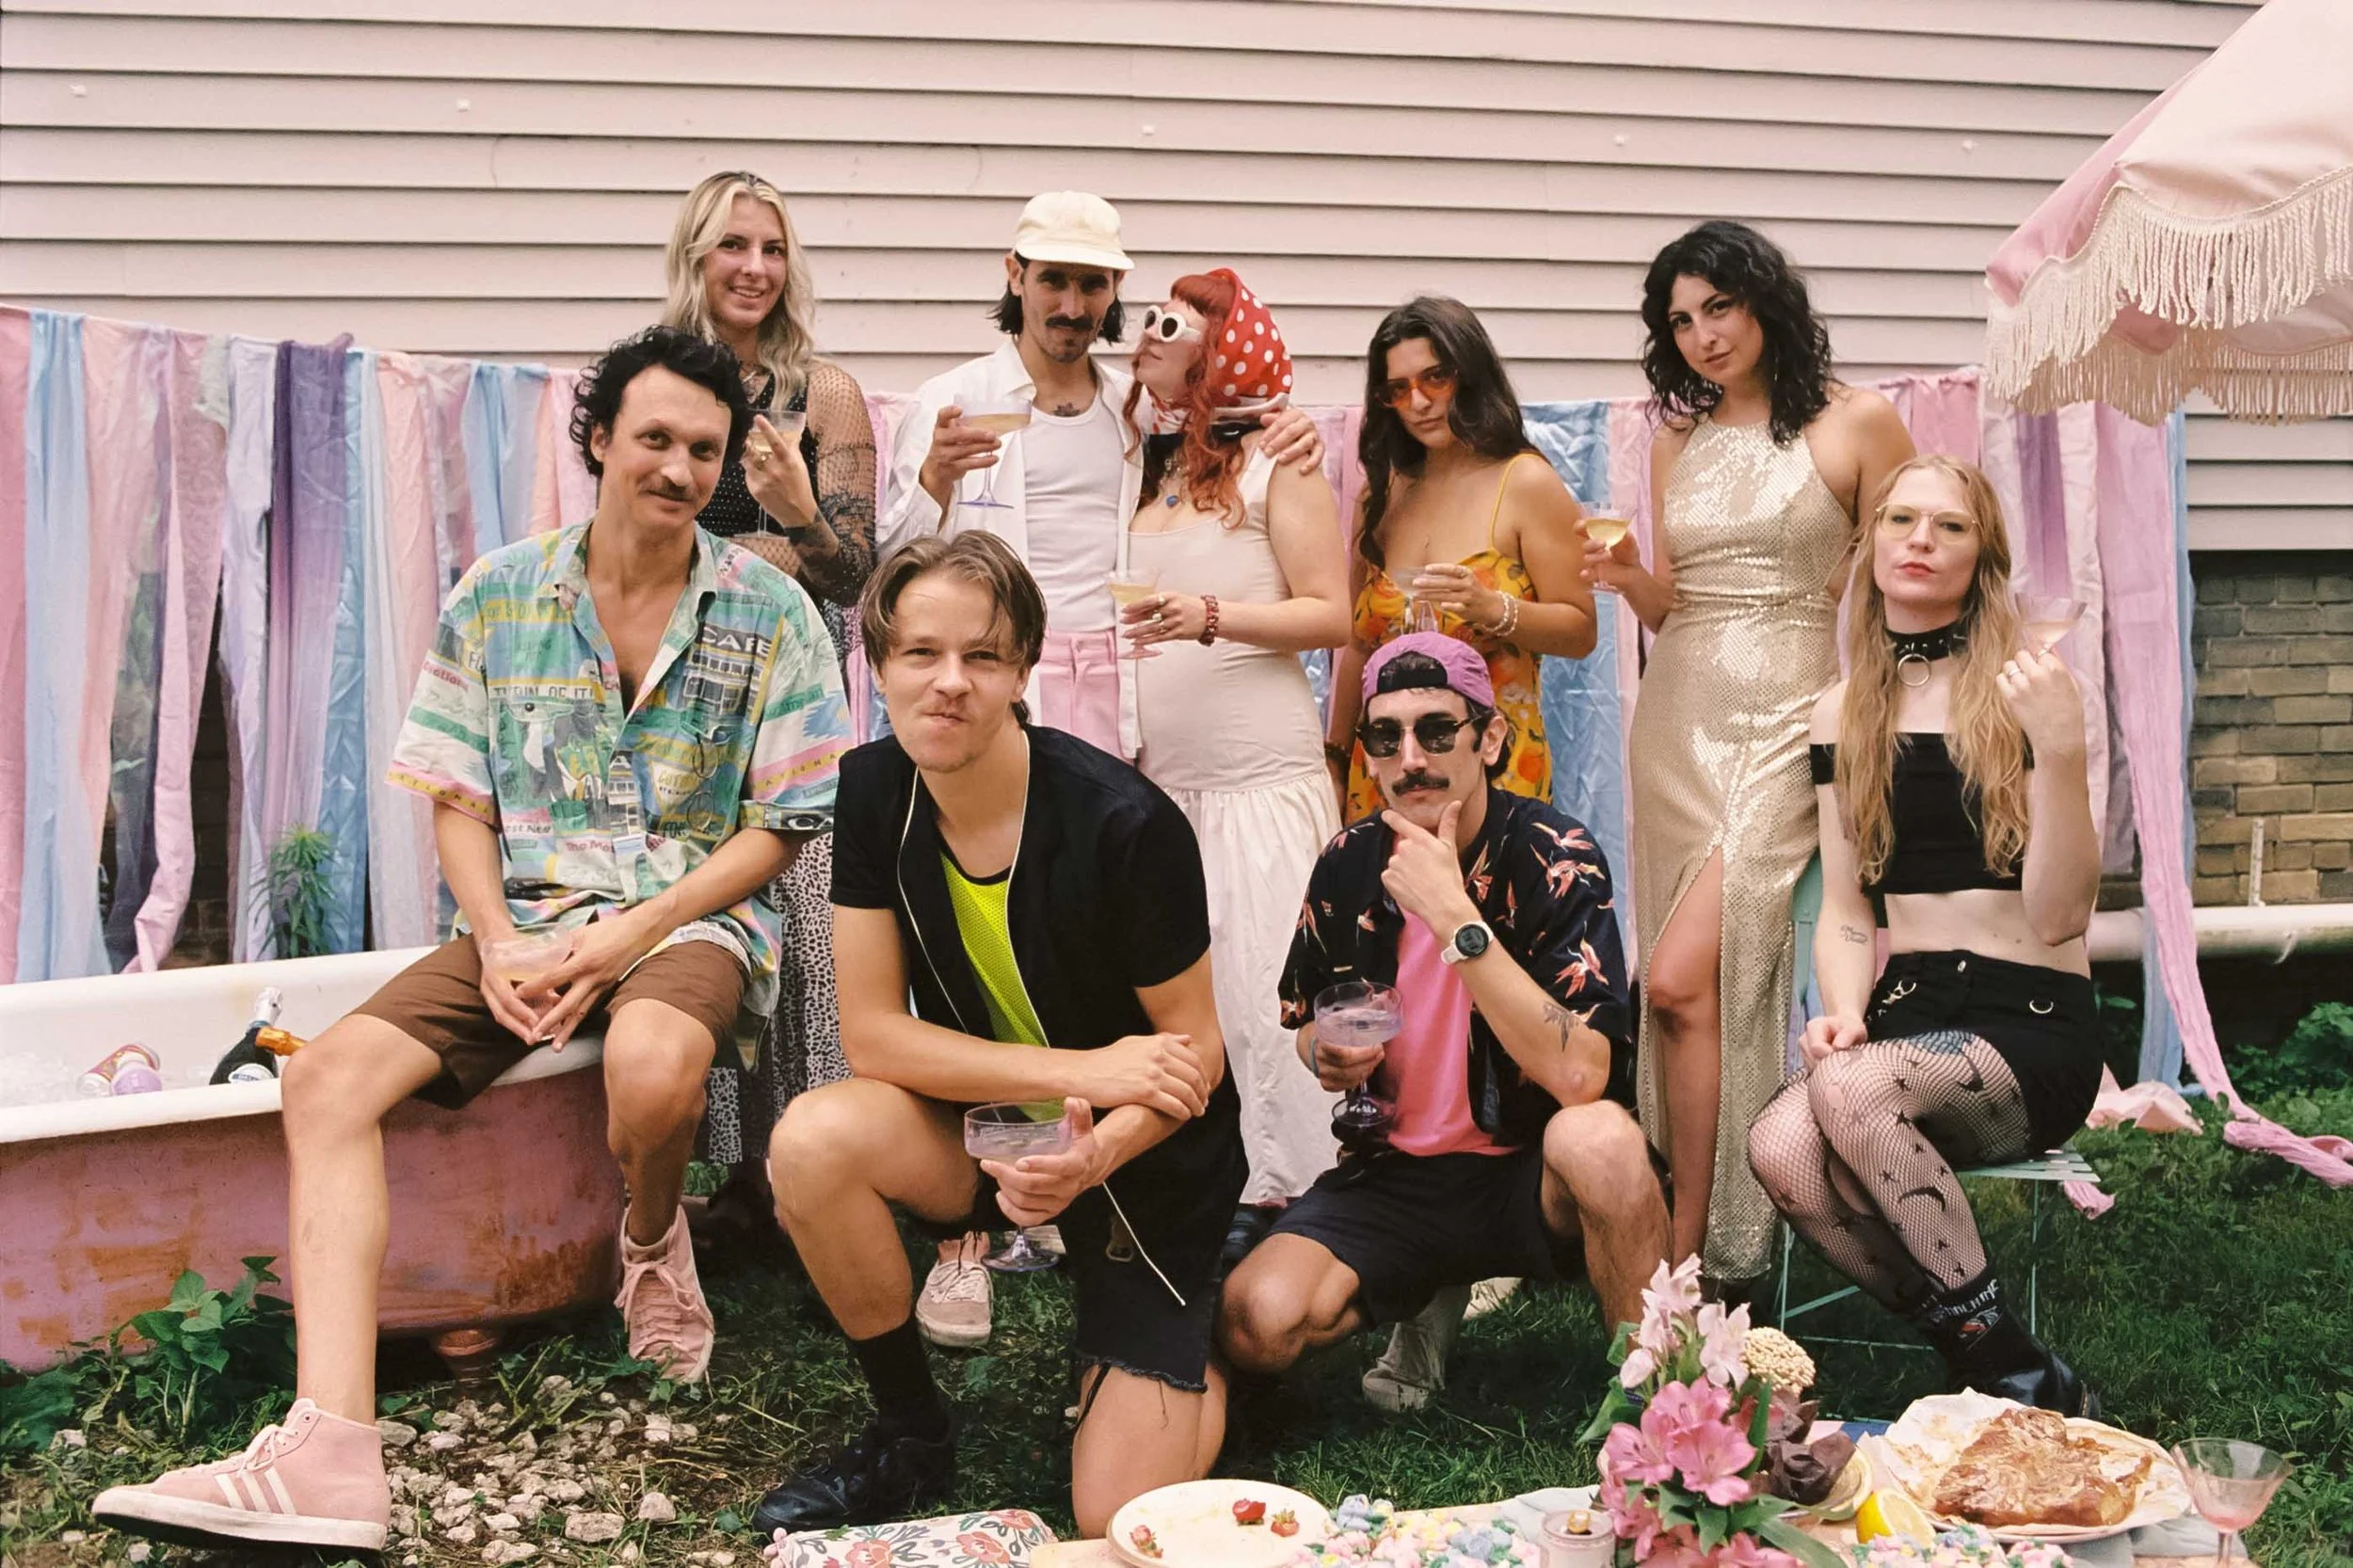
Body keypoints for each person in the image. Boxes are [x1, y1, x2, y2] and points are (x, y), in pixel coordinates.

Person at [93, 326, 853, 1551]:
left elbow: (785, 821)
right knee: (325, 1078)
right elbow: (457, 795)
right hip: (528, 918)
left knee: (653, 1066)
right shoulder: (499, 592)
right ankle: (331, 1444)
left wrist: (635, 932)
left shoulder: (769, 611)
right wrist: (495, 939)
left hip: (686, 916)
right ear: (598, 438)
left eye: (703, 451)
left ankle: (650, 1240)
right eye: (655, 438)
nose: (678, 468)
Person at [756, 534, 1248, 1536]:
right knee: (813, 1138)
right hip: (989, 1132)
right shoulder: (873, 790)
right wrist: (1080, 1072)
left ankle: (1216, 1333)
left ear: (1023, 671)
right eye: (920, 653)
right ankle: (909, 1430)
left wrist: (1093, 1150)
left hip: (1144, 1159)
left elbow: (1194, 1055)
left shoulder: (1125, 823)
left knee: (1113, 1516)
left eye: (981, 656)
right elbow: (872, 1036)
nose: (949, 682)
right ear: (878, 667)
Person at [1586, 220, 1915, 1290]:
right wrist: (1628, 576)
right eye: (1680, 321)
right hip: (1675, 718)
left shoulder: (1858, 421)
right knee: (1679, 994)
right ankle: (1688, 1247)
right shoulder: (1676, 440)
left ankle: (1693, 1244)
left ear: (1765, 301)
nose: (1702, 336)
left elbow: (1910, 580)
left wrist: (1882, 712)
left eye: (1717, 308)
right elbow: (1673, 607)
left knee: (1686, 975)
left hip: (1788, 717)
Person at [1220, 634, 1671, 1387]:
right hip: (1395, 1175)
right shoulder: (1348, 861)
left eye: (1436, 731)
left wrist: (1457, 919)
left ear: (1488, 739)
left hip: (1527, 1169)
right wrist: (1324, 1052)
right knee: (1255, 1322)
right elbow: (1305, 1018)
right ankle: (1426, 1289)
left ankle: (1658, 1398)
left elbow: (1584, 1075)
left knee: (1602, 1142)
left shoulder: (1552, 852)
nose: (1411, 759)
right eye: (1385, 737)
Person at [1748, 456, 2102, 1413]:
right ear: (1870, 547)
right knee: (1780, 1143)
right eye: (1901, 519)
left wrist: (2062, 749)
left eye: (1949, 525)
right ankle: (1987, 1346)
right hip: (1911, 1017)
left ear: (1982, 556)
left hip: (2030, 1022)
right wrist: (1842, 1011)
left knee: (1849, 1090)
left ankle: (2005, 1369)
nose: (1920, 540)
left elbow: (2063, 915)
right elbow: (1847, 909)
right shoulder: (1842, 713)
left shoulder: (2030, 690)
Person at [880, 190, 1322, 760]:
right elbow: (891, 566)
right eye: (1053, 280)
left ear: (1115, 287)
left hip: (1122, 682)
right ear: (1015, 275)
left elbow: (1228, 420)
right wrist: (935, 478)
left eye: (1092, 284)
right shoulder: (953, 399)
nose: (1072, 306)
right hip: (996, 672)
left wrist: (1292, 422)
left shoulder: (1138, 406)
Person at [659, 168, 881, 1240]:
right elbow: (638, 545)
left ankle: (809, 1175)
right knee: (696, 906)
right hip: (686, 692)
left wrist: (798, 513)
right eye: (734, 245)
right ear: (694, 255)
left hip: (794, 692)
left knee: (805, 921)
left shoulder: (823, 395)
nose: (755, 267)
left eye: (774, 248)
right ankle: (723, 1177)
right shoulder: (656, 379)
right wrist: (770, 546)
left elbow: (853, 574)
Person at [1118, 267, 1352, 1242]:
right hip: (1167, 792)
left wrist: (1211, 615)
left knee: (1270, 999)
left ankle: (1313, 1200)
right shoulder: (1144, 462)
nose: (1144, 336)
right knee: (1194, 1004)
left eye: (1169, 327)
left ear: (1220, 354)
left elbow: (1332, 613)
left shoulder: (1277, 464)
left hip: (1257, 787)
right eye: (1146, 319)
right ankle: (1210, 1194)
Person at [1325, 296, 1598, 824]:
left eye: (1435, 378)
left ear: (1470, 374)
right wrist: (1336, 756)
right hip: (1386, 769)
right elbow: (1358, 646)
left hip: (1493, 767)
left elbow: (1581, 630)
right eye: (1397, 389)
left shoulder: (1524, 481)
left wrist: (1493, 609)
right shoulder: (1381, 494)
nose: (1418, 402)